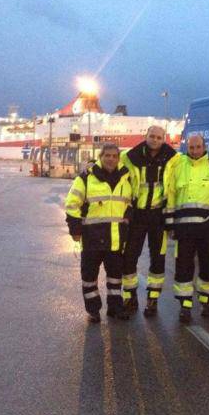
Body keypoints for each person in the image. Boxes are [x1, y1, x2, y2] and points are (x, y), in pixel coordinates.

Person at [164, 135, 209, 323]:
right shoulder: (178, 166)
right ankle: (185, 306)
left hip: (207, 230)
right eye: (191, 147)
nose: (194, 151)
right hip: (184, 230)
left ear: (204, 146)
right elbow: (171, 196)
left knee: (207, 267)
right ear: (187, 147)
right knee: (183, 268)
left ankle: (206, 301)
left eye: (198, 147)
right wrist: (170, 224)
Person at [64, 143, 133, 322]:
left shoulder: (126, 179)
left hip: (115, 239)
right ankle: (93, 310)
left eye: (114, 156)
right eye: (107, 155)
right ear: (101, 157)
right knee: (89, 277)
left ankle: (115, 308)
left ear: (118, 158)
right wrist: (75, 231)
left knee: (115, 278)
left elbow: (129, 204)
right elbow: (72, 206)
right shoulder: (86, 178)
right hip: (92, 238)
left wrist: (127, 220)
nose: (111, 159)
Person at [120, 126, 179, 316]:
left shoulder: (174, 159)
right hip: (137, 215)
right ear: (146, 136)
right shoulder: (130, 157)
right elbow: (107, 162)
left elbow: (196, 163)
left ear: (164, 139)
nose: (155, 140)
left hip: (158, 216)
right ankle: (130, 297)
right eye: (151, 136)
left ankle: (152, 299)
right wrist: (90, 164)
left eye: (159, 137)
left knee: (158, 258)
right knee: (130, 256)